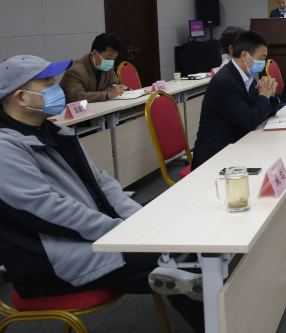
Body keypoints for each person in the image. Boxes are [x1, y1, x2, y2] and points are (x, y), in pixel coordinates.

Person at [0, 55, 204, 332]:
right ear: (21, 98)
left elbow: (102, 182)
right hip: (57, 259)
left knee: (182, 227)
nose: (57, 88)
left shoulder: (55, 131)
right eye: (47, 83)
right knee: (180, 259)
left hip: (101, 233)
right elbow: (49, 211)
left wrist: (137, 221)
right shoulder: (5, 149)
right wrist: (123, 233)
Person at [192, 31, 280, 169]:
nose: (262, 63)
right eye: (261, 58)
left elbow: (266, 111)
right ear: (244, 56)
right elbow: (250, 120)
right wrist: (263, 96)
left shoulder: (248, 77)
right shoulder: (225, 82)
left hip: (239, 143)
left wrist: (271, 93)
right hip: (216, 156)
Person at [60, 33, 126, 103]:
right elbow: (77, 96)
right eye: (108, 58)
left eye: (114, 58)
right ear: (94, 53)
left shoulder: (107, 65)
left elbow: (114, 86)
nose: (111, 61)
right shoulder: (75, 71)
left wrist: (93, 95)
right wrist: (107, 94)